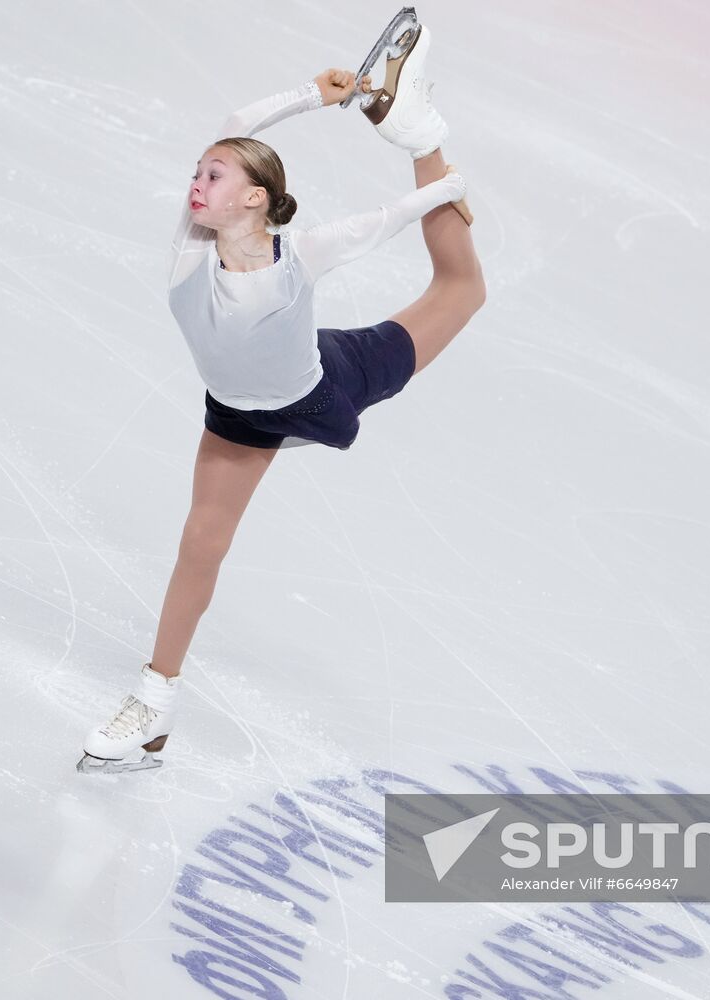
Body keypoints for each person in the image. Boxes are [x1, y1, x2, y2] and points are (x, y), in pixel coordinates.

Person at [80, 23, 486, 773]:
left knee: (460, 290)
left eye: (214, 178)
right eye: (198, 173)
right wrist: (310, 94)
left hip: (329, 386)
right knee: (200, 545)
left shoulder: (302, 256)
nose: (195, 184)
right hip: (239, 414)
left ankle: (421, 129)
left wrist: (442, 182)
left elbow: (384, 224)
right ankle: (153, 708)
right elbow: (234, 126)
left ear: (256, 199)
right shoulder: (189, 250)